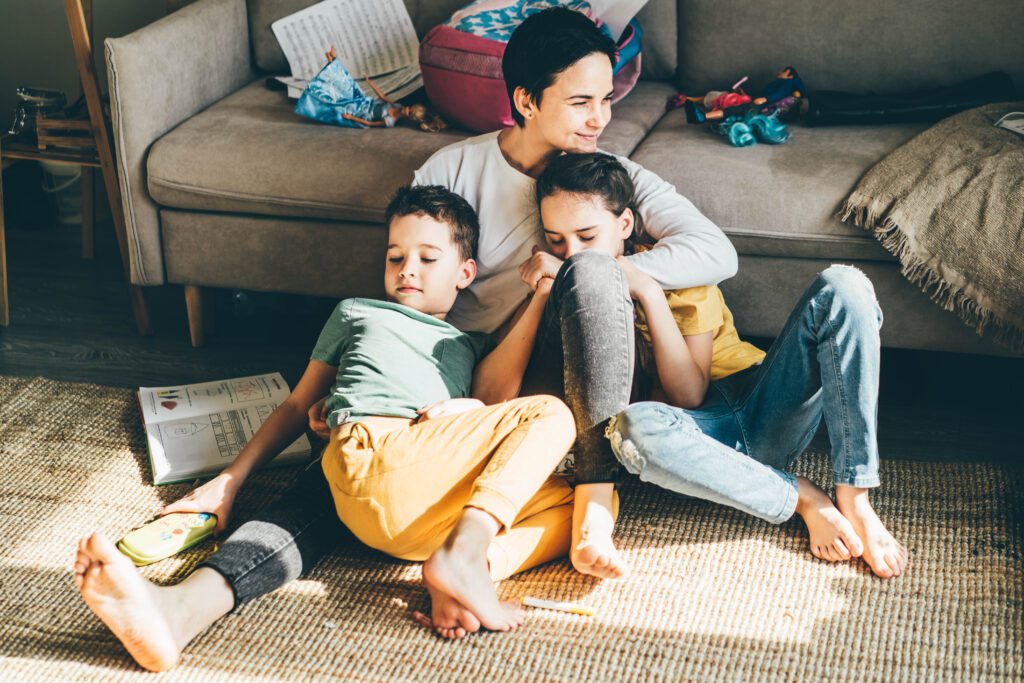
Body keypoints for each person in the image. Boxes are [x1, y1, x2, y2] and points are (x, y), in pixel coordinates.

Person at [73, 185, 580, 672]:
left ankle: (471, 569)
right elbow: (296, 405)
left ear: (465, 272)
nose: (408, 270)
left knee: (581, 502)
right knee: (554, 414)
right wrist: (227, 484)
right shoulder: (359, 313)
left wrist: (539, 297)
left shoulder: (467, 347)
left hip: (416, 503)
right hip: (365, 456)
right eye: (395, 257)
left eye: (428, 259)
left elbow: (497, 404)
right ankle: (181, 608)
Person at [309, 7, 738, 581]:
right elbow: (414, 292)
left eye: (606, 100)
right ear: (527, 100)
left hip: (551, 366)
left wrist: (601, 269)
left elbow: (715, 250)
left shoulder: (602, 177)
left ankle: (589, 495)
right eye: (581, 102)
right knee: (338, 476)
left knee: (588, 276)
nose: (600, 119)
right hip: (461, 368)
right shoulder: (453, 170)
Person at [534, 152, 908, 579]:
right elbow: (677, 407)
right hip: (693, 434)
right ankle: (800, 495)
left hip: (756, 398)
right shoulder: (583, 295)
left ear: (624, 226)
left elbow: (689, 390)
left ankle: (855, 495)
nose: (572, 253)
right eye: (556, 241)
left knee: (844, 285)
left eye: (586, 236)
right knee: (635, 430)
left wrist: (651, 295)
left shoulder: (678, 271)